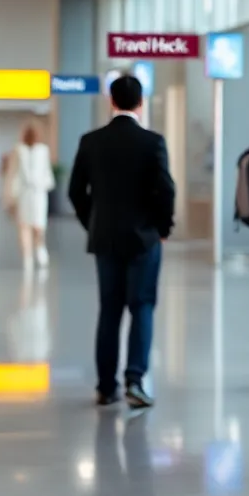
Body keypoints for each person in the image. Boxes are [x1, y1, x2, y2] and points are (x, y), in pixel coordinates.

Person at [69, 75, 175, 409]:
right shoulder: (153, 142)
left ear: (111, 102)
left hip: (105, 239)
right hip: (144, 239)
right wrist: (162, 227)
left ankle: (105, 386)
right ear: (140, 103)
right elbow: (166, 190)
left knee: (110, 310)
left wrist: (93, 223)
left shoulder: (91, 141)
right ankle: (134, 381)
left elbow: (76, 192)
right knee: (141, 306)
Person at [10, 122, 56, 268]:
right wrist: (13, 194)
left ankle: (39, 248)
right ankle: (27, 256)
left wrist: (45, 184)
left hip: (38, 192)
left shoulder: (43, 150)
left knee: (38, 225)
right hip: (25, 192)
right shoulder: (19, 150)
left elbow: (46, 171)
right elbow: (15, 173)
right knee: (24, 225)